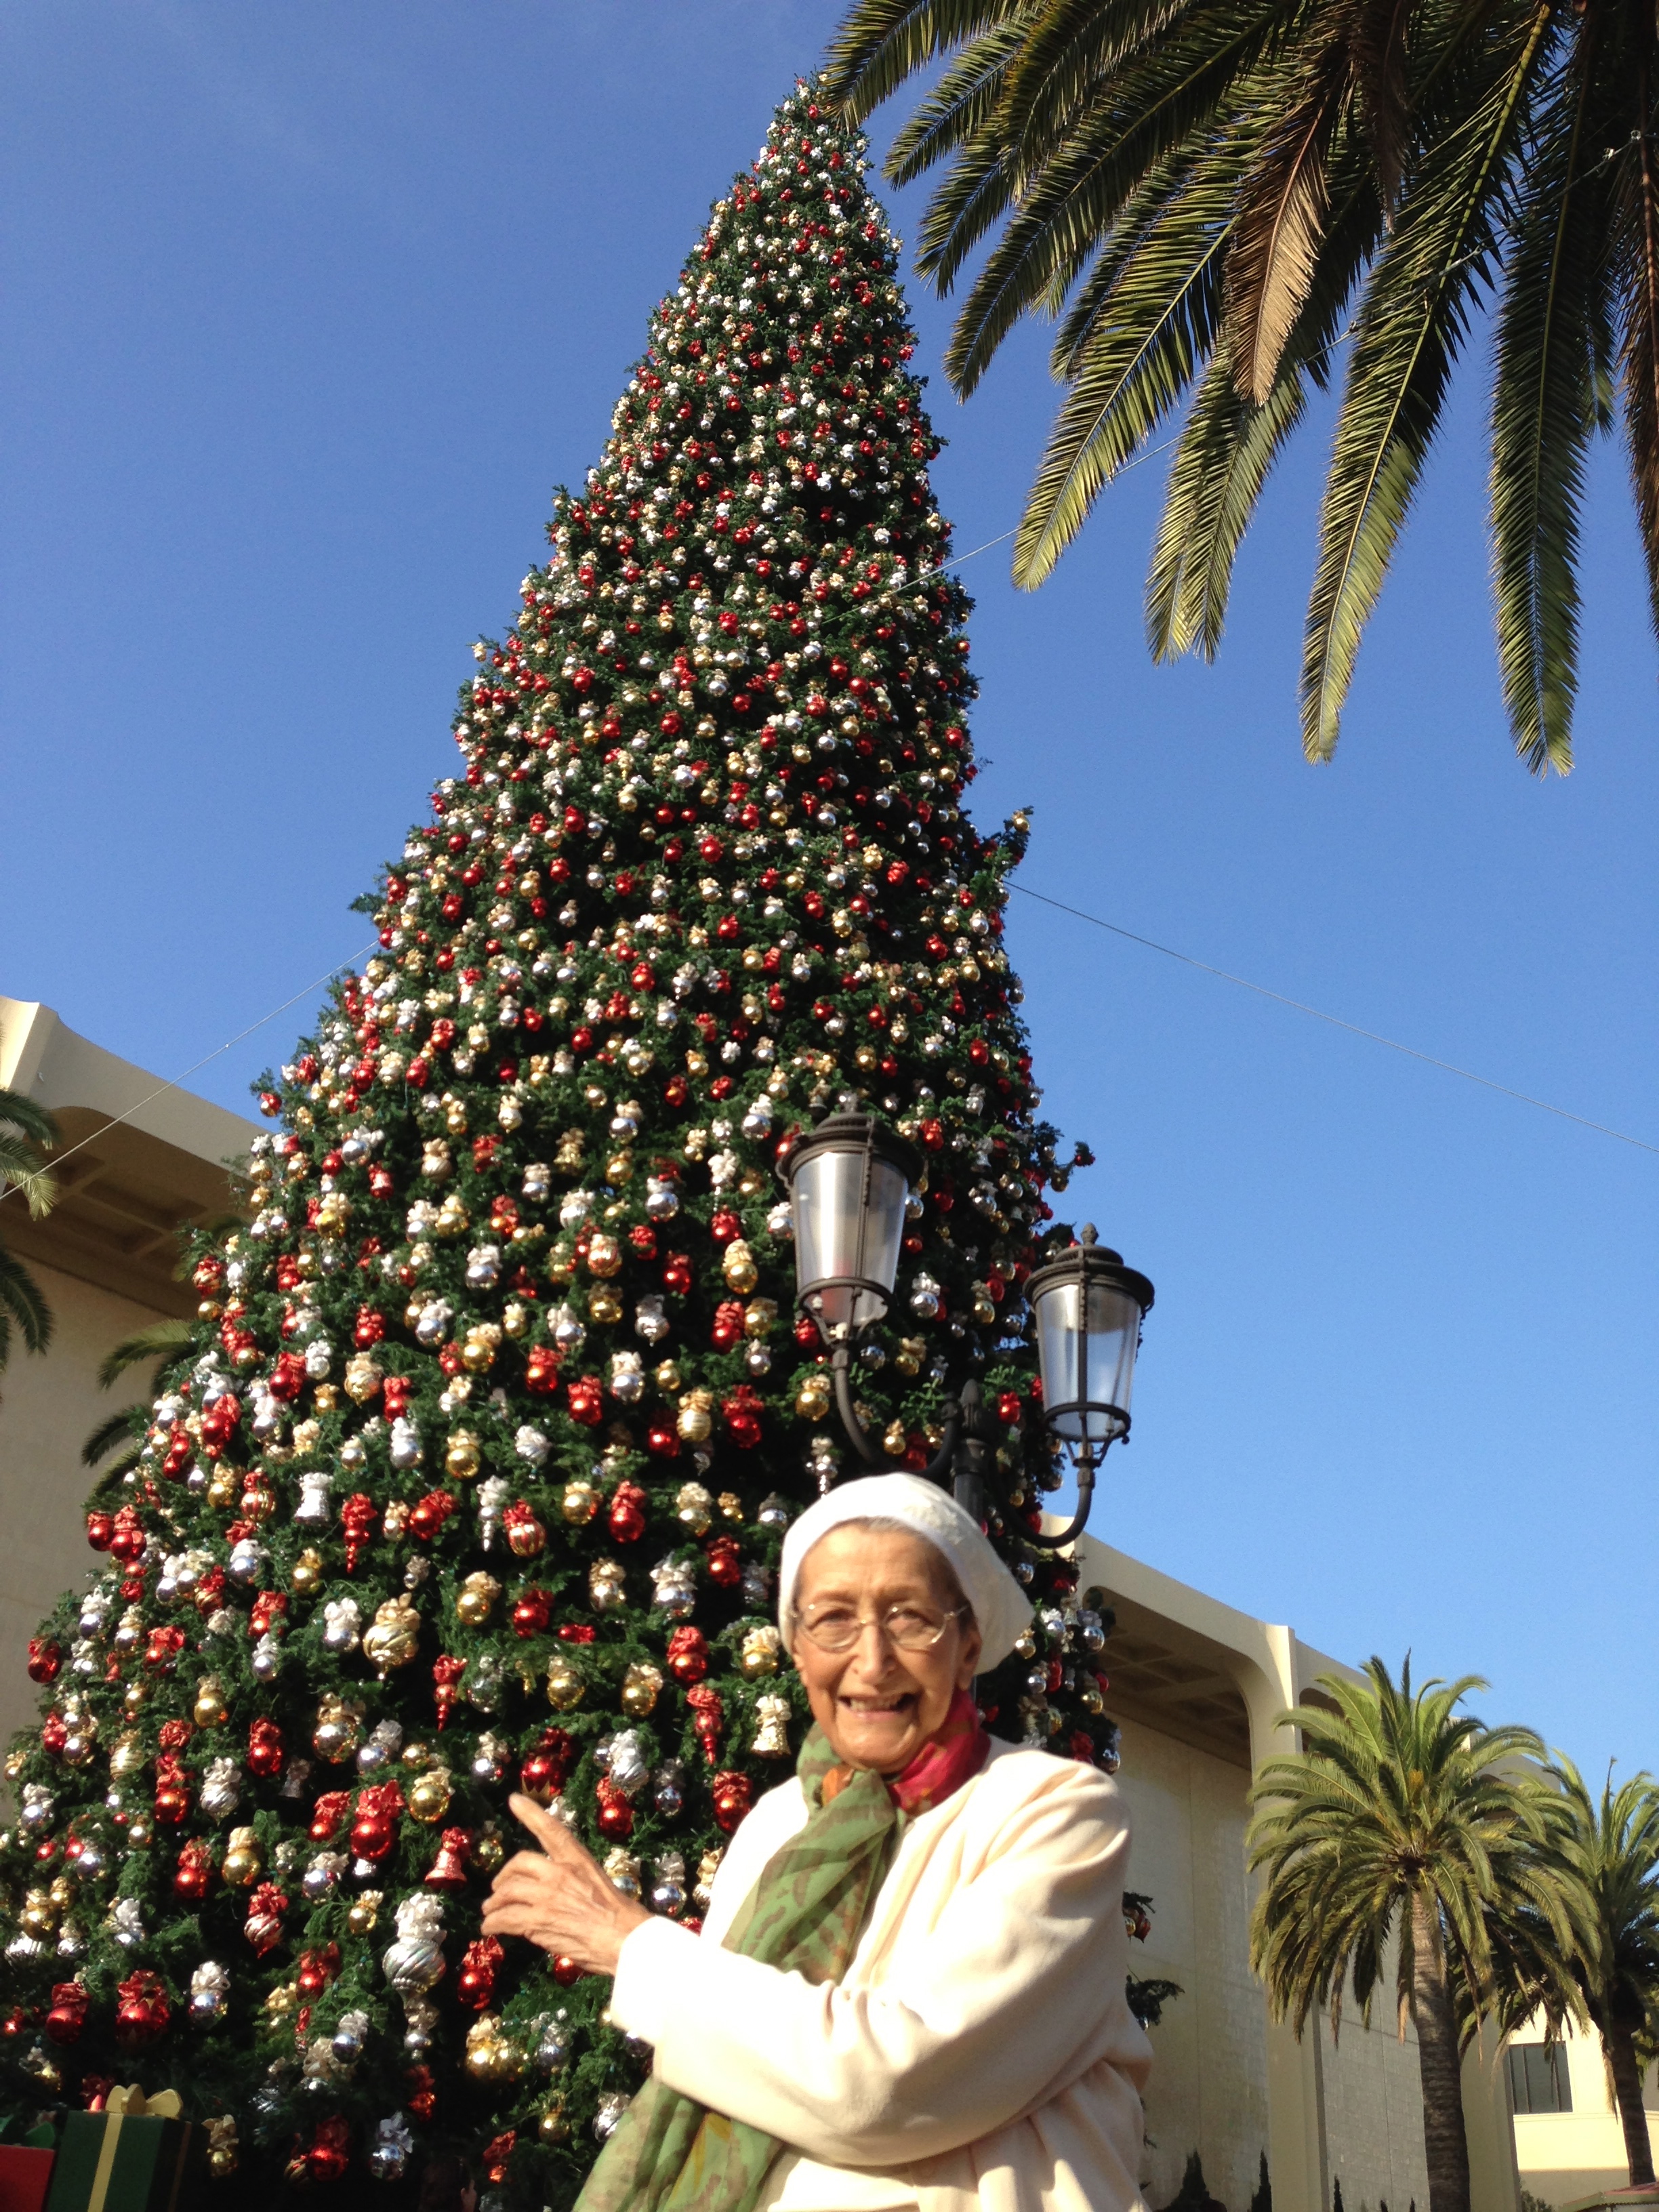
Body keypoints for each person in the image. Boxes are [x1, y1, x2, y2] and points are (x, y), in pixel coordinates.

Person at [483, 1472, 1151, 2212]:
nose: (872, 1662)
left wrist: (634, 1947)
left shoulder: (1053, 1808)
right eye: (834, 1620)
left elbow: (892, 2085)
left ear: (966, 1646)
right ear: (798, 1649)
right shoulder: (776, 1822)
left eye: (909, 1618)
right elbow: (735, 2072)